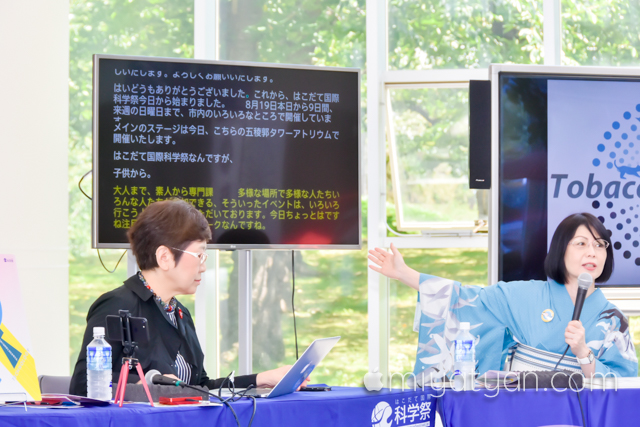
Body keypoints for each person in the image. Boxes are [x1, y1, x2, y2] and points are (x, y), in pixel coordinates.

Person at [70, 199, 307, 396]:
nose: (203, 266)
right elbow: (82, 385)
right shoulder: (118, 305)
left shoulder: (179, 313)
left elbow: (201, 388)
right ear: (164, 257)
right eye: (199, 255)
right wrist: (148, 383)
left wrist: (260, 379)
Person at [368, 213, 638, 379]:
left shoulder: (614, 320)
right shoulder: (525, 295)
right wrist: (404, 273)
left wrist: (583, 353)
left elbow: (623, 384)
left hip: (581, 414)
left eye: (600, 245)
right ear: (560, 250)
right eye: (581, 243)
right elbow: (466, 299)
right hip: (522, 409)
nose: (592, 252)